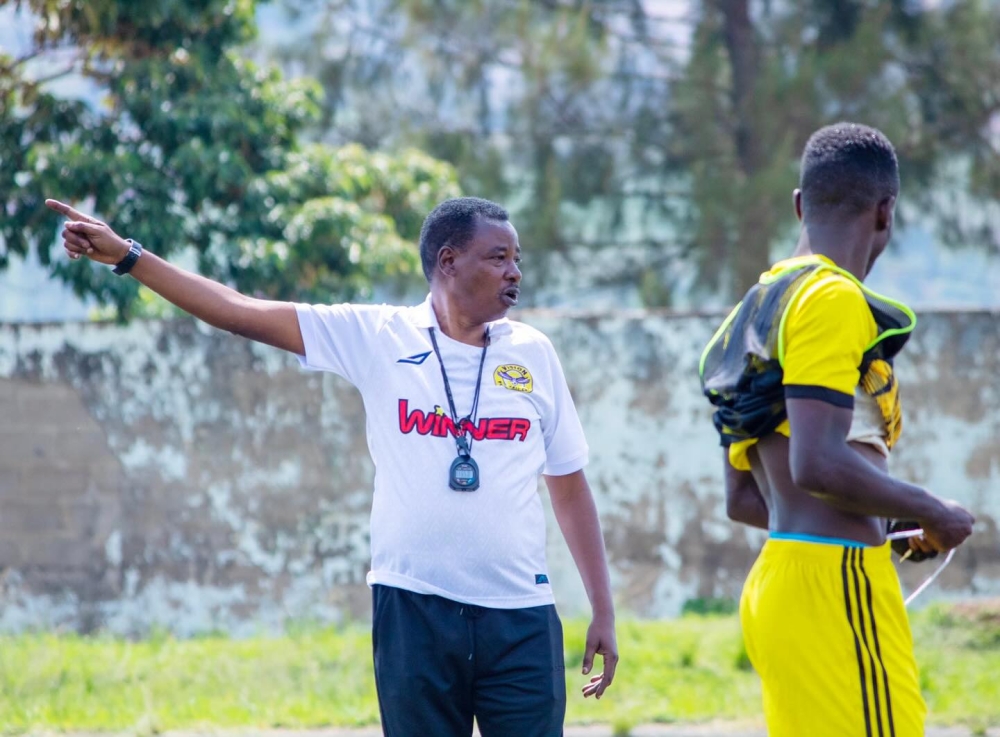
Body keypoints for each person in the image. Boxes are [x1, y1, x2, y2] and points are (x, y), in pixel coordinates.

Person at [47, 195, 618, 736]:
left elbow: (568, 485)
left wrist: (603, 609)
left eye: (517, 259)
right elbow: (239, 312)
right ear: (448, 261)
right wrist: (129, 256)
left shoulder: (534, 353)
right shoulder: (375, 336)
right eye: (499, 257)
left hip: (521, 618)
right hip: (414, 608)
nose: (515, 271)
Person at [699, 123, 975, 737]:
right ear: (886, 212)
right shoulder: (830, 299)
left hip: (782, 580)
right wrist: (935, 510)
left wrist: (898, 528)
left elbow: (747, 498)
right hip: (835, 584)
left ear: (800, 204)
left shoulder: (758, 305)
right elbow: (817, 464)